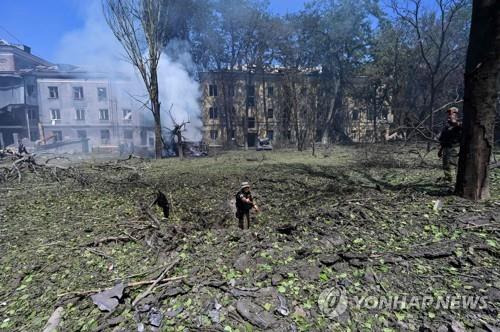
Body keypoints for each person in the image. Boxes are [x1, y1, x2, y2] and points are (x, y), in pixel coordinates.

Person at [438, 107, 462, 183]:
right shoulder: (446, 127)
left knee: (455, 165)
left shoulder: (459, 124)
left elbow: (460, 127)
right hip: (445, 148)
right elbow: (443, 139)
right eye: (449, 113)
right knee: (446, 166)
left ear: (456, 114)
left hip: (455, 148)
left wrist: (455, 123)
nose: (449, 115)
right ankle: (449, 180)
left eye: (452, 113)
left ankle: (456, 182)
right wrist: (440, 150)